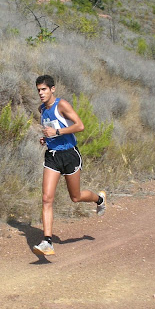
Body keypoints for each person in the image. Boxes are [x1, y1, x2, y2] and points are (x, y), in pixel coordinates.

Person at [33, 74, 106, 256]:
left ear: (52, 89)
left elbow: (79, 126)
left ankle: (99, 199)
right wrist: (46, 138)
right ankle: (47, 241)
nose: (41, 93)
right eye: (38, 90)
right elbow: (50, 130)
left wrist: (56, 131)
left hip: (70, 155)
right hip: (52, 156)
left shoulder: (61, 105)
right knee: (46, 199)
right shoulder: (41, 109)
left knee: (76, 197)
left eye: (44, 89)